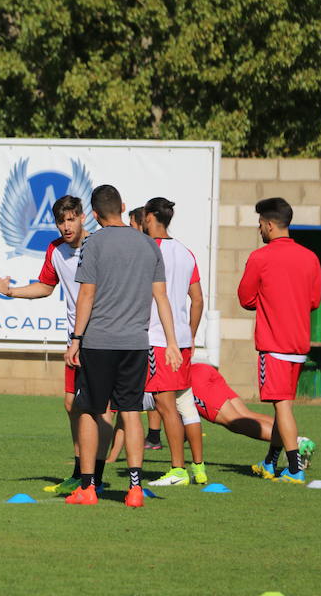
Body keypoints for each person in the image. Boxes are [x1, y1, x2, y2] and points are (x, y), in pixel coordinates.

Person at [64, 184, 182, 507]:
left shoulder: (93, 244)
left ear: (95, 214)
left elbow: (86, 294)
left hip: (99, 343)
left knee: (90, 410)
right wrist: (172, 342)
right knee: (131, 412)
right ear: (123, 207)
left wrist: (76, 339)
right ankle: (134, 489)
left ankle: (88, 487)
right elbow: (161, 297)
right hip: (136, 344)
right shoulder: (148, 245)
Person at [0, 195, 113, 494]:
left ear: (84, 217)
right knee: (72, 404)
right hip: (76, 340)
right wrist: (11, 292)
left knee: (101, 409)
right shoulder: (55, 250)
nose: (66, 226)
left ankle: (94, 476)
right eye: (61, 221)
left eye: (71, 219)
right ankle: (80, 472)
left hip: (102, 337)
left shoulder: (99, 244)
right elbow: (46, 287)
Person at [238, 197, 321, 484]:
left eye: (260, 223)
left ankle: (295, 468)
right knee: (281, 404)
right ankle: (271, 462)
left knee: (282, 404)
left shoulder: (260, 257)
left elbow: (245, 298)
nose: (259, 229)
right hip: (299, 344)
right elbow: (313, 301)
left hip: (274, 343)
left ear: (270, 224)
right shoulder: (311, 257)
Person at [141, 197, 208, 487]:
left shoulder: (149, 250)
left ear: (151, 217)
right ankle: (197, 467)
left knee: (163, 403)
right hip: (180, 339)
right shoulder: (186, 252)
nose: (142, 221)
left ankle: (177, 469)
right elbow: (198, 300)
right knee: (183, 403)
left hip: (158, 338)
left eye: (144, 216)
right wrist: (189, 334)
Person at [188, 363, 316, 466]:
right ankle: (297, 440)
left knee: (234, 422)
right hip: (201, 368)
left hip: (191, 379)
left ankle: (295, 443)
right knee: (245, 414)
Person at [129, 205, 164, 450]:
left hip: (150, 334)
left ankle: (154, 436)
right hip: (166, 336)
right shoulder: (181, 251)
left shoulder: (147, 251)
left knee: (154, 394)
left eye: (132, 225)